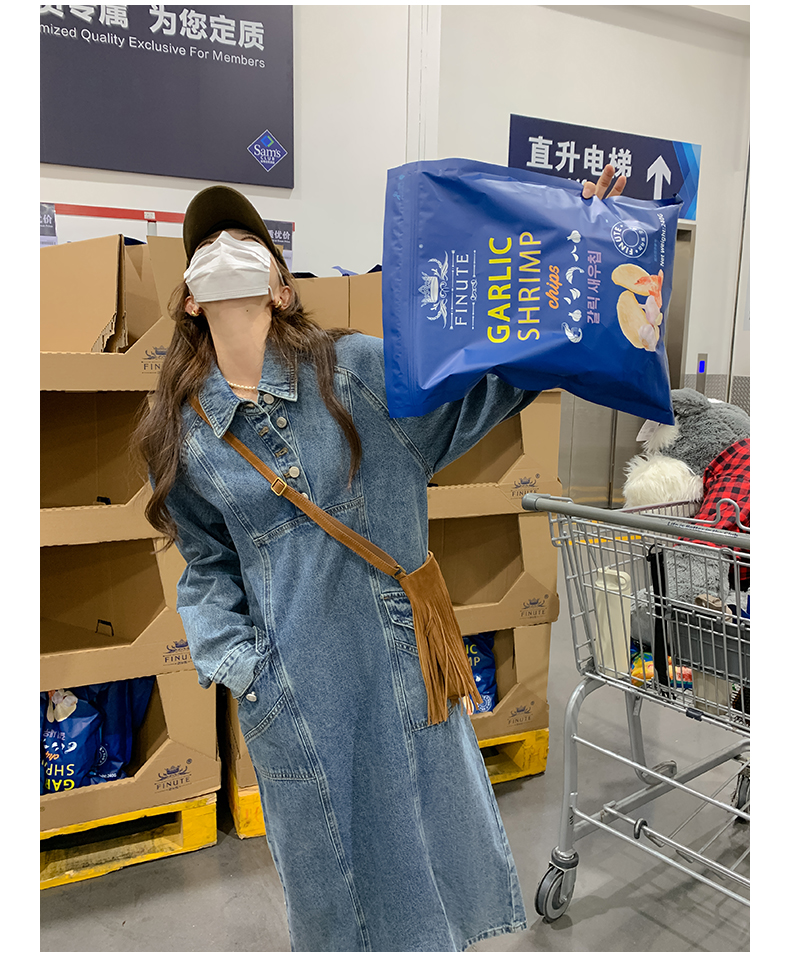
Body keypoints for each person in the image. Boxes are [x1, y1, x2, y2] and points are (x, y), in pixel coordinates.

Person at [134, 166, 625, 952]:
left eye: (245, 240)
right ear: (190, 297)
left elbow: (484, 384)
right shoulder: (187, 436)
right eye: (208, 246)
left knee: (431, 848)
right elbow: (206, 564)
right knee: (332, 877)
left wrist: (576, 247)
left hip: (404, 660)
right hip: (297, 686)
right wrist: (244, 670)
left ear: (280, 285)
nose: (225, 248)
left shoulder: (354, 371)